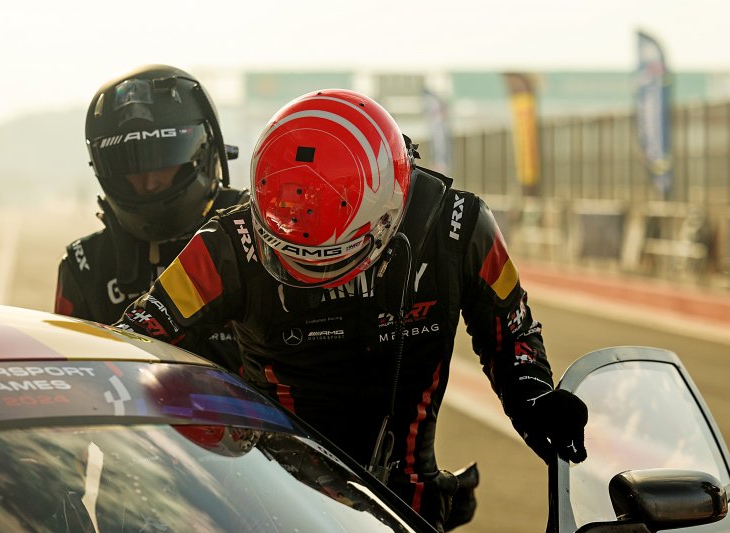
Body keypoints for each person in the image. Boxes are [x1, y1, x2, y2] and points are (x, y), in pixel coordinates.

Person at [113, 89, 588, 531]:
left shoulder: (459, 226)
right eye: (295, 259)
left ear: (390, 211)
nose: (316, 273)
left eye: (331, 260)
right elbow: (127, 344)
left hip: (410, 499)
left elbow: (511, 331)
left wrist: (533, 395)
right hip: (276, 498)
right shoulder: (226, 245)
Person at [55, 65, 248, 372]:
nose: (149, 182)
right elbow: (72, 377)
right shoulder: (84, 264)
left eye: (163, 161)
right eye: (132, 166)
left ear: (204, 153)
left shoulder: (254, 241)